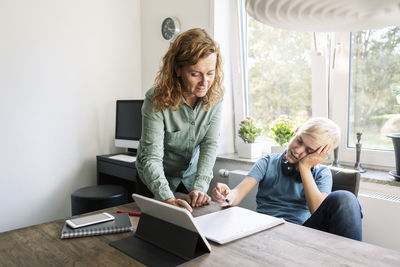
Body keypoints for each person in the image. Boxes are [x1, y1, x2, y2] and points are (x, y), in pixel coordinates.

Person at [212, 117, 363, 241]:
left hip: (301, 236)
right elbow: (237, 194)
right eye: (299, 141)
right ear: (296, 132)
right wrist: (226, 196)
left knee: (346, 198)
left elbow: (317, 211)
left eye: (309, 151)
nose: (297, 150)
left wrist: (304, 168)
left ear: (318, 156)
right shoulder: (267, 162)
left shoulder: (322, 173)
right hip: (265, 232)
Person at [136, 28, 224, 212]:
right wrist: (166, 198)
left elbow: (209, 145)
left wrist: (200, 188)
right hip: (154, 179)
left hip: (189, 178)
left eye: (210, 73)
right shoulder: (156, 99)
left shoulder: (215, 98)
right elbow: (151, 157)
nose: (205, 83)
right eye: (195, 74)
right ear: (177, 69)